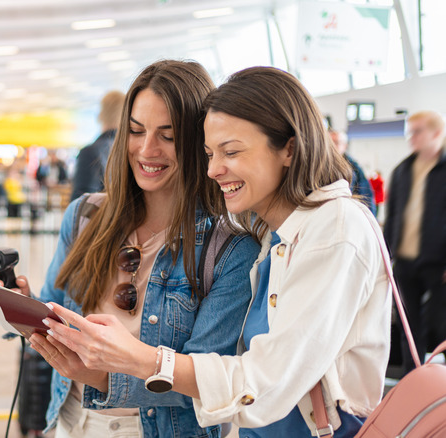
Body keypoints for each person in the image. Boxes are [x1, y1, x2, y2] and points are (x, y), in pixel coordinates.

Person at [41, 67, 392, 437]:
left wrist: (137, 359)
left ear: (289, 147)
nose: (213, 169)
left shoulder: (331, 230)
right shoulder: (276, 237)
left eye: (232, 151)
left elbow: (263, 384)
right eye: (209, 153)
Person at [0, 60, 259, 437]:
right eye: (135, 130)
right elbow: (55, 308)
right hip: (69, 419)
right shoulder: (85, 216)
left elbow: (208, 383)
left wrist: (99, 376)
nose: (147, 149)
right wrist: (23, 306)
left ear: (201, 142)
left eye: (168, 135)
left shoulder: (229, 250)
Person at [383, 110, 446, 374]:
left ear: (435, 133)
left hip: (438, 264)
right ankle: (412, 382)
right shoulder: (402, 170)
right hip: (405, 262)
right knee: (409, 328)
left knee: (442, 325)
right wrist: (385, 258)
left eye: (417, 131)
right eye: (409, 132)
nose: (411, 138)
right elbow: (392, 215)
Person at [70, 90, 125, 201]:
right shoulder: (127, 151)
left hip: (99, 217)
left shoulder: (90, 152)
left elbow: (81, 204)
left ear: (101, 115)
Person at [328, 128, 376, 215]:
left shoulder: (355, 169)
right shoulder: (318, 166)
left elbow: (366, 197)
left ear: (345, 146)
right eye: (329, 143)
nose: (332, 147)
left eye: (336, 142)